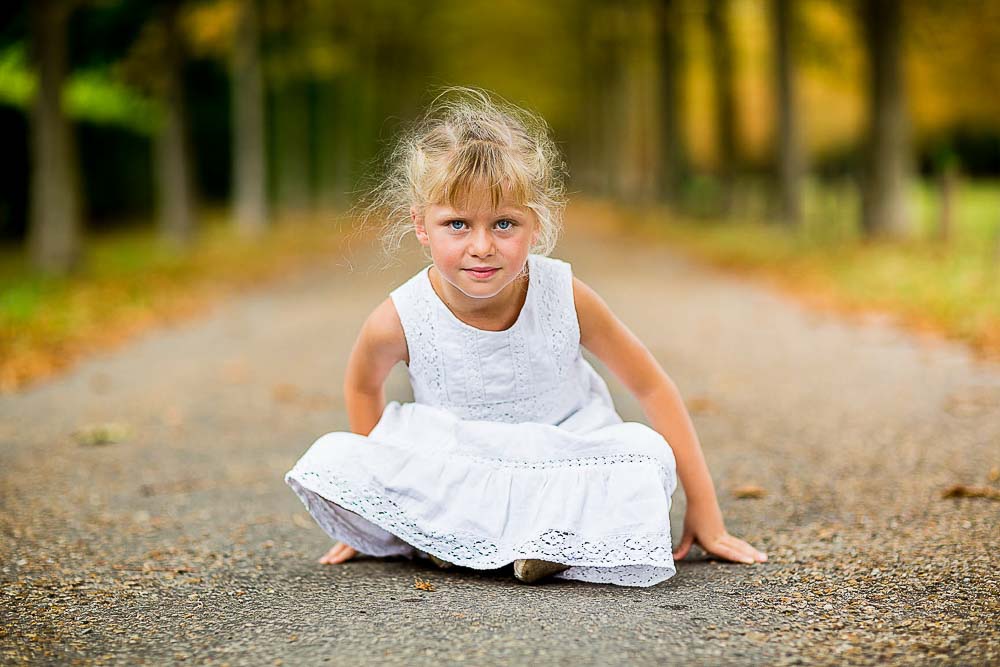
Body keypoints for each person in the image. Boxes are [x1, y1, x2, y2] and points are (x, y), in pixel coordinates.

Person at [284, 87, 767, 587]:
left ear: (534, 225)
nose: (482, 246)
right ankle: (464, 539)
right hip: (459, 463)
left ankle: (522, 546)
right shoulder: (402, 316)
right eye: (457, 224)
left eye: (504, 223)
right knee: (333, 455)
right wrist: (373, 501)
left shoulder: (563, 294)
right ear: (421, 226)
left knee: (642, 456)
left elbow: (651, 387)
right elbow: (364, 386)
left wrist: (704, 509)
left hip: (565, 451)